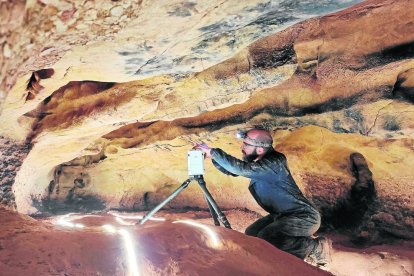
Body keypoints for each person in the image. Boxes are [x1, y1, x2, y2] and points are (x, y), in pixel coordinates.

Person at [194, 128, 331, 266]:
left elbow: (241, 169)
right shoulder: (259, 163)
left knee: (268, 236)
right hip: (281, 215)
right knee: (252, 234)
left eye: (246, 145)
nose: (242, 147)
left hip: (304, 216)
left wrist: (213, 152)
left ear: (260, 150)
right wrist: (213, 157)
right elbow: (234, 171)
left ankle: (316, 248)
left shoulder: (275, 162)